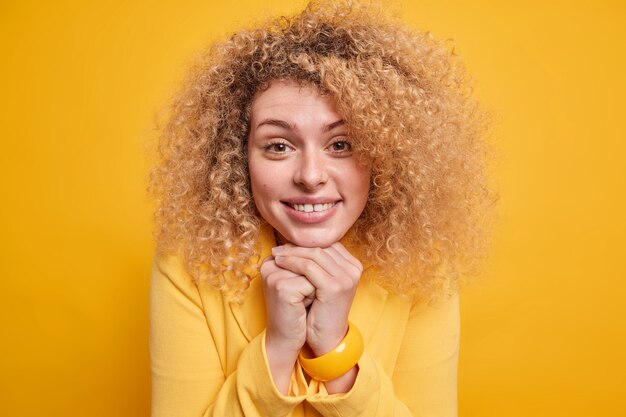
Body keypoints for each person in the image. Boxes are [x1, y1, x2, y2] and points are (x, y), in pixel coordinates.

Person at [148, 1, 496, 416]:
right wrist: (277, 349)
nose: (311, 176)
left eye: (341, 145)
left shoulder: (424, 268)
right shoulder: (189, 264)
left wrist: (334, 349)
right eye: (278, 146)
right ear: (237, 156)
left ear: (384, 155)